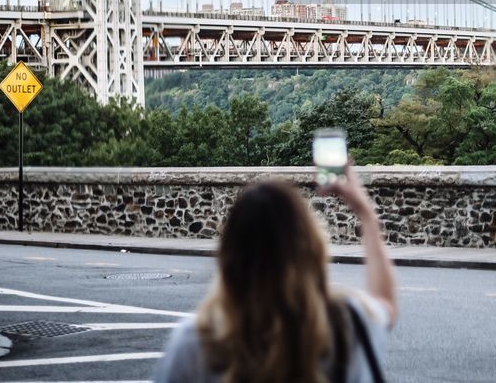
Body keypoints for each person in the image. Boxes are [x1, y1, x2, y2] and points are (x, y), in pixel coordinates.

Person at [154, 164, 396, 382]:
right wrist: (366, 214)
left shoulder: (197, 343)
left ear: (229, 255)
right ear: (311, 248)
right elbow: (386, 304)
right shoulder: (347, 324)